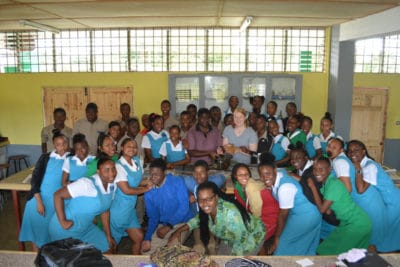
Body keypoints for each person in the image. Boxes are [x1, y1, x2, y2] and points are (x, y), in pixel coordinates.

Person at [168, 181, 266, 256]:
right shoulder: (208, 209)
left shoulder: (231, 215)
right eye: (201, 200)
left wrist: (231, 260)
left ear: (216, 197)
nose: (204, 203)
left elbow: (241, 241)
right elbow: (197, 220)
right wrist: (178, 231)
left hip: (251, 238)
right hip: (230, 238)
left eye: (209, 199)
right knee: (218, 258)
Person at [327, 137, 387, 252]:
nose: (330, 149)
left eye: (334, 147)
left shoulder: (340, 162)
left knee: (371, 241)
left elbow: (348, 189)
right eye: (329, 146)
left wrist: (331, 201)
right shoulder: (340, 160)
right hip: (363, 200)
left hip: (368, 202)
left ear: (340, 150)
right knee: (366, 239)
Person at [49, 158, 117, 253]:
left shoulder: (112, 185)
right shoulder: (86, 184)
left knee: (108, 247)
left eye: (113, 169)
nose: (112, 173)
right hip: (66, 229)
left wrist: (108, 236)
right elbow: (58, 195)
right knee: (71, 260)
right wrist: (63, 221)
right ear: (98, 171)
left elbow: (105, 211)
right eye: (106, 170)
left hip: (86, 228)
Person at [308, 157, 372, 255]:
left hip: (357, 224)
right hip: (346, 223)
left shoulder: (333, 184)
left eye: (321, 169)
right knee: (324, 249)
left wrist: (312, 187)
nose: (317, 172)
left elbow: (322, 209)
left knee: (341, 256)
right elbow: (328, 210)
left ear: (329, 169)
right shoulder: (327, 183)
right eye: (315, 169)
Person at [258, 161, 321, 255]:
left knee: (282, 245)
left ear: (275, 170)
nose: (264, 178)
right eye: (261, 175)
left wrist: (277, 238)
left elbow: (283, 215)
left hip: (306, 216)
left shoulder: (285, 188)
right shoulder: (281, 173)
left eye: (268, 174)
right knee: (301, 246)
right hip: (302, 213)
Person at [347, 140, 400, 252]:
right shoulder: (364, 164)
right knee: (388, 234)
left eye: (356, 150)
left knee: (385, 232)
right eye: (350, 151)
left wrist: (357, 168)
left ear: (363, 152)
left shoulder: (370, 166)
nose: (352, 153)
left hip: (393, 201)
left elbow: (361, 189)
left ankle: (385, 256)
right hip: (388, 200)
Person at [19, 133, 69, 251]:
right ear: (54, 145)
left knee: (52, 232)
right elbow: (35, 180)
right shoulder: (45, 158)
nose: (62, 147)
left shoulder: (71, 158)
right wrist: (39, 202)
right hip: (39, 199)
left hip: (57, 201)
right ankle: (37, 257)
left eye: (64, 144)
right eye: (58, 145)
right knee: (37, 233)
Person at [142, 159, 194, 254]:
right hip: (164, 224)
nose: (153, 177)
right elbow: (153, 217)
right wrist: (147, 238)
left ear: (165, 172)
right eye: (151, 174)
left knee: (171, 251)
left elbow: (184, 208)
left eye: (156, 174)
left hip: (182, 223)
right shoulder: (149, 192)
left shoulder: (177, 181)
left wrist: (169, 226)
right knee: (147, 252)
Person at [110, 138, 153, 254]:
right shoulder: (118, 166)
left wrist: (148, 182)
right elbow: (127, 190)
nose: (132, 148)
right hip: (119, 210)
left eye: (134, 146)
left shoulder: (136, 161)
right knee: (112, 244)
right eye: (128, 146)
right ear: (122, 148)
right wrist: (146, 188)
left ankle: (136, 262)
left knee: (138, 237)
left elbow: (134, 182)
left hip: (129, 209)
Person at [289, 145, 339, 240]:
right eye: (292, 158)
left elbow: (312, 194)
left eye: (298, 157)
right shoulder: (300, 169)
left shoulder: (313, 171)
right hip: (322, 214)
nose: (294, 160)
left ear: (306, 157)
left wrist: (299, 179)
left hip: (331, 215)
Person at [232, 163, 279, 252]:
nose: (244, 177)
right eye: (240, 175)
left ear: (250, 175)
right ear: (235, 176)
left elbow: (256, 212)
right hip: (260, 216)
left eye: (246, 174)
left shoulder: (251, 187)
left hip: (271, 218)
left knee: (253, 239)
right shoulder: (239, 187)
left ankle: (261, 259)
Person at [182, 160, 226, 254]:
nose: (198, 176)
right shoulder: (189, 182)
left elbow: (223, 178)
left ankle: (213, 244)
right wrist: (188, 193)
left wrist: (222, 189)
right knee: (198, 246)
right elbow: (179, 182)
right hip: (197, 218)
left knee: (212, 245)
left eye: (202, 172)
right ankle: (199, 246)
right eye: (196, 173)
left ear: (207, 173)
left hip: (211, 217)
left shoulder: (215, 181)